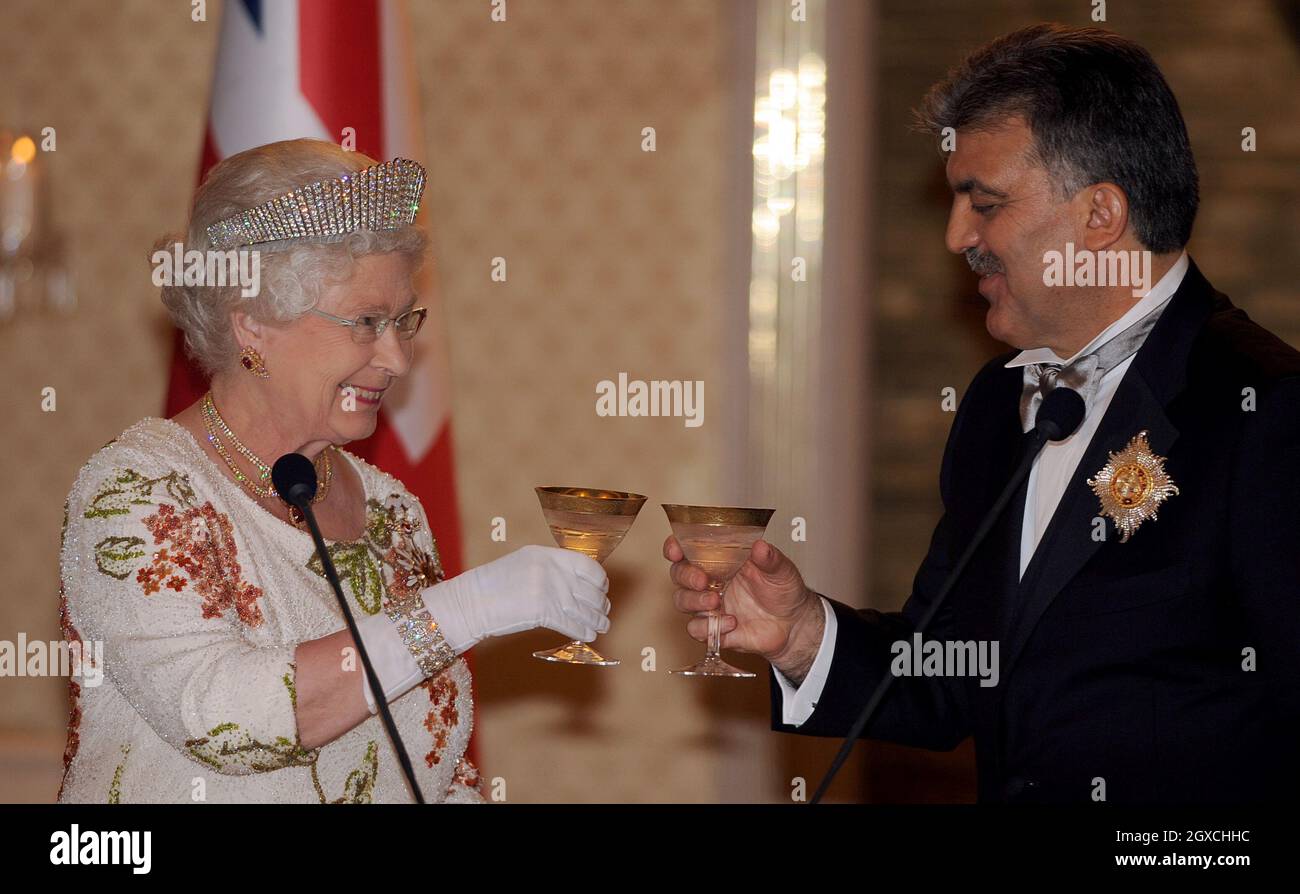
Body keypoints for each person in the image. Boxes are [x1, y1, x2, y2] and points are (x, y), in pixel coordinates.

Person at [665, 24, 1299, 804]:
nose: (957, 236)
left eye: (985, 203)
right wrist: (802, 634)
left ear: (1100, 215)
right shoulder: (1002, 404)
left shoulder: (1267, 410)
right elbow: (952, 671)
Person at [57, 138, 610, 803]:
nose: (398, 360)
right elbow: (222, 720)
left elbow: (436, 766)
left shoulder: (390, 510)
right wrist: (467, 607)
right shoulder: (136, 492)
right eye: (366, 322)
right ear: (253, 323)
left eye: (403, 321)